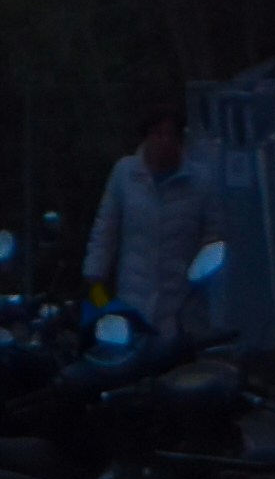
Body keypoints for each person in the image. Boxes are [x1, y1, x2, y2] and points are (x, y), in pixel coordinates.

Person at [83, 99, 229, 332]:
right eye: (157, 133)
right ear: (146, 137)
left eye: (171, 134)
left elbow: (215, 235)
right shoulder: (125, 174)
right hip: (132, 303)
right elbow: (105, 229)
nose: (164, 141)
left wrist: (204, 278)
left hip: (180, 305)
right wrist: (96, 281)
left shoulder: (200, 181)